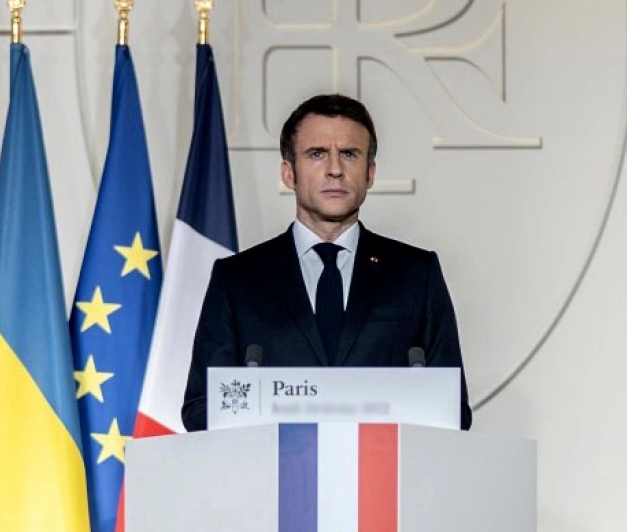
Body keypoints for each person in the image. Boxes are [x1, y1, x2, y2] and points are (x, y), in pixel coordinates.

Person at [181, 94, 471, 431]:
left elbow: (453, 410)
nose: (335, 169)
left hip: (382, 464)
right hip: (276, 464)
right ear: (289, 173)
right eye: (317, 154)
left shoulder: (417, 274)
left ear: (370, 173)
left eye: (349, 154)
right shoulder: (237, 279)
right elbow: (202, 408)